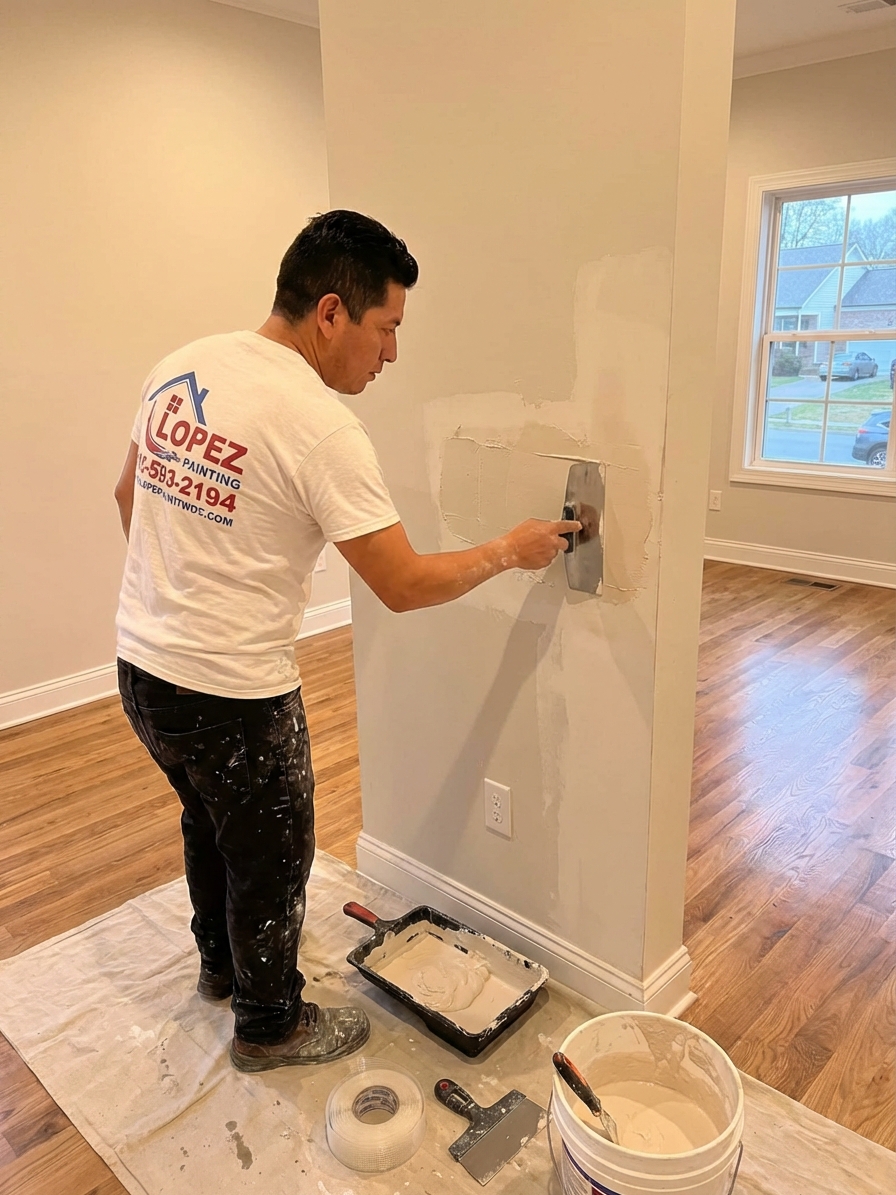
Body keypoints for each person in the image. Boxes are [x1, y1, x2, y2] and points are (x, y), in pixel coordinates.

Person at [113, 210, 578, 1073]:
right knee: (271, 858)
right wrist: (510, 551)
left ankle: (220, 969)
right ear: (331, 313)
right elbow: (401, 585)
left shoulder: (180, 366)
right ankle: (270, 1026)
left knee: (208, 817)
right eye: (387, 328)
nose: (391, 354)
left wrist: (178, 593)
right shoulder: (317, 424)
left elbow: (124, 495)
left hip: (141, 668)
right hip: (233, 691)